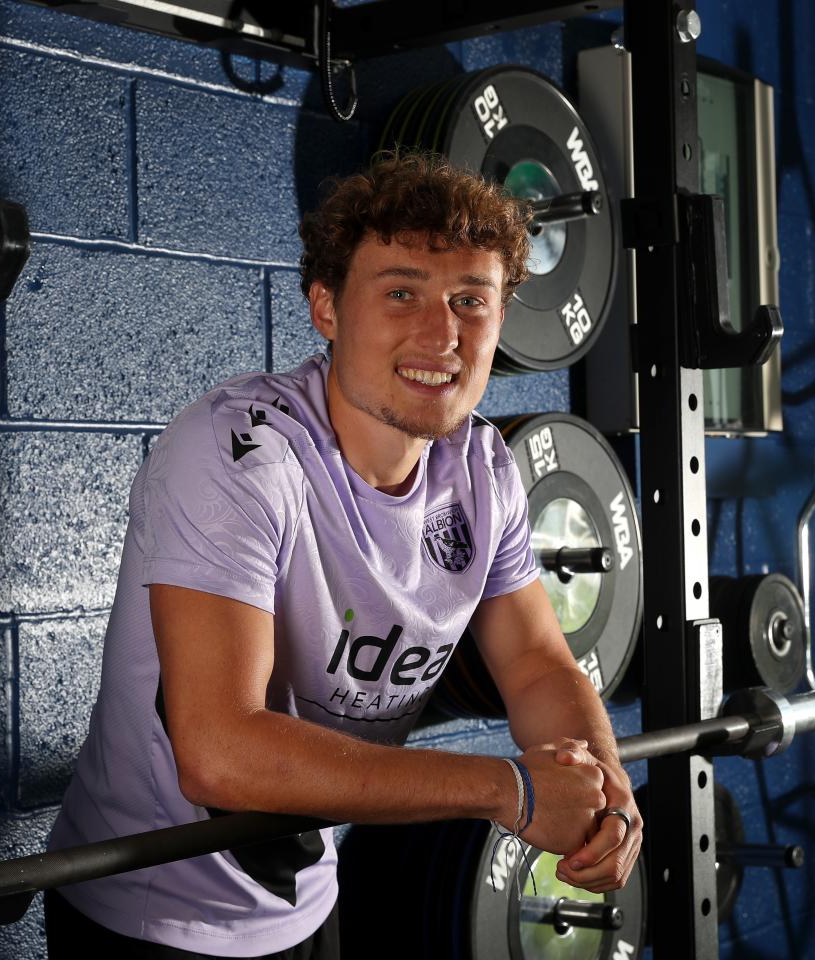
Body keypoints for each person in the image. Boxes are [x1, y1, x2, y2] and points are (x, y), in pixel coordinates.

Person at [44, 152, 642, 959]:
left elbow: (537, 664)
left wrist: (606, 789)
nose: (442, 334)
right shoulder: (238, 455)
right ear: (326, 306)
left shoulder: (485, 470)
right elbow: (219, 750)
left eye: (471, 300)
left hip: (309, 896)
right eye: (402, 293)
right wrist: (510, 789)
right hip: (150, 910)